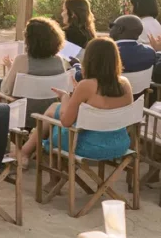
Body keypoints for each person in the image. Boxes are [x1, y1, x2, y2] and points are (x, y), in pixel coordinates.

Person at [19, 37, 134, 166]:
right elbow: (103, 106)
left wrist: (65, 98)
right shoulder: (125, 83)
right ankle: (27, 153)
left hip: (88, 147)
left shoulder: (87, 85)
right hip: (119, 145)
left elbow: (66, 121)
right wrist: (78, 95)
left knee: (52, 122)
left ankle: (28, 155)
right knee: (53, 109)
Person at [72, 16, 159, 83]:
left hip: (105, 101)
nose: (110, 29)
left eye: (112, 26)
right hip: (138, 101)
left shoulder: (103, 53)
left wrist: (76, 65)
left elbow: (81, 78)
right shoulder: (150, 53)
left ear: (120, 29)